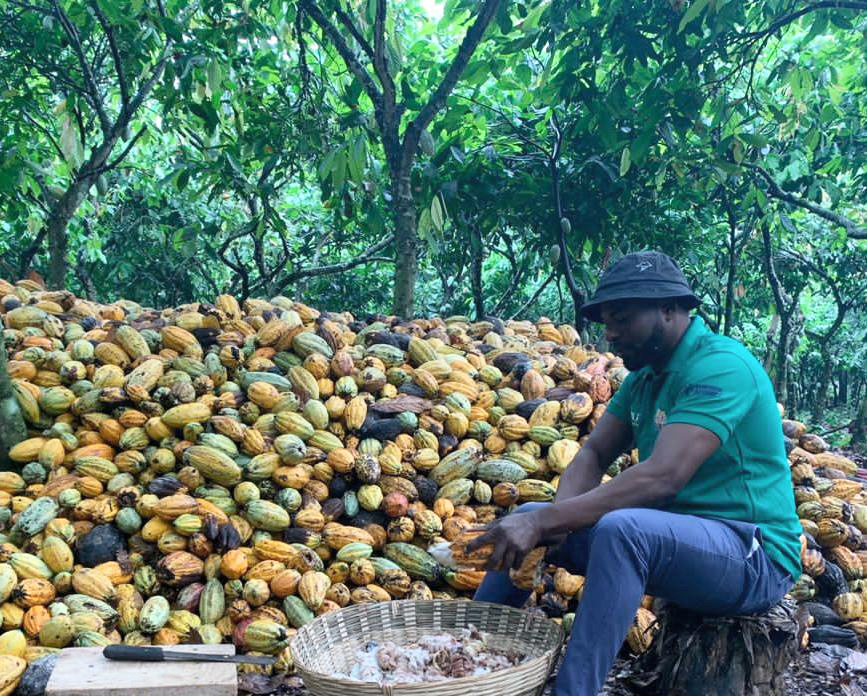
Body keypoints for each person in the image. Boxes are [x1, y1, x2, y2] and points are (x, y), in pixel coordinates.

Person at [470, 251, 801, 696]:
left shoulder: (721, 367)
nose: (609, 333)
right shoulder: (644, 381)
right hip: (682, 542)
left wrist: (549, 521)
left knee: (623, 530)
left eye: (622, 319)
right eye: (607, 320)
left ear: (669, 309)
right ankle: (468, 665)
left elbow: (664, 476)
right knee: (537, 513)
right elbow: (593, 456)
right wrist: (550, 520)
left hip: (754, 555)